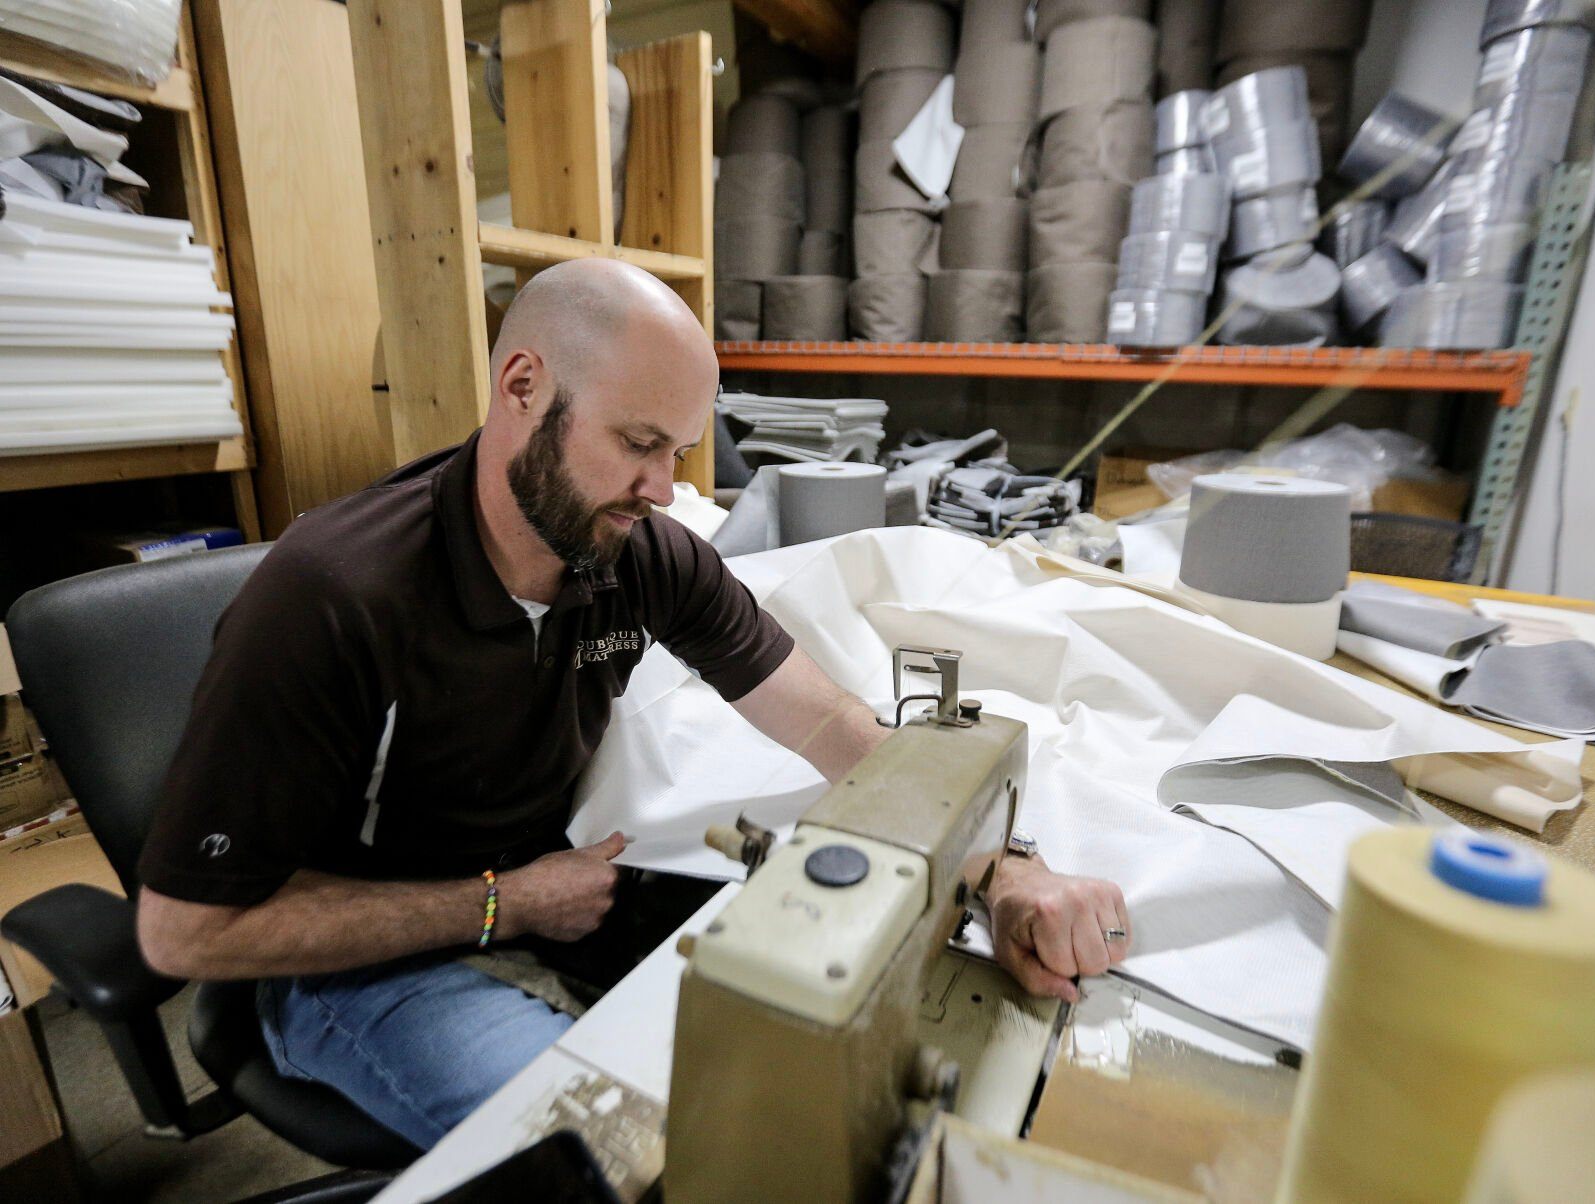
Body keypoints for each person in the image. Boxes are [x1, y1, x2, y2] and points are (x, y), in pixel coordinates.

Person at [135, 260, 1130, 1151]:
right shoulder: (332, 598)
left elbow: (828, 722)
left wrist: (999, 867)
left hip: (540, 895)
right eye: (639, 443)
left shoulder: (638, 552)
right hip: (349, 965)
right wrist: (505, 900)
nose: (663, 486)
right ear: (522, 386)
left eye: (680, 451)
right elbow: (183, 934)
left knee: (820, 1039)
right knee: (629, 1149)